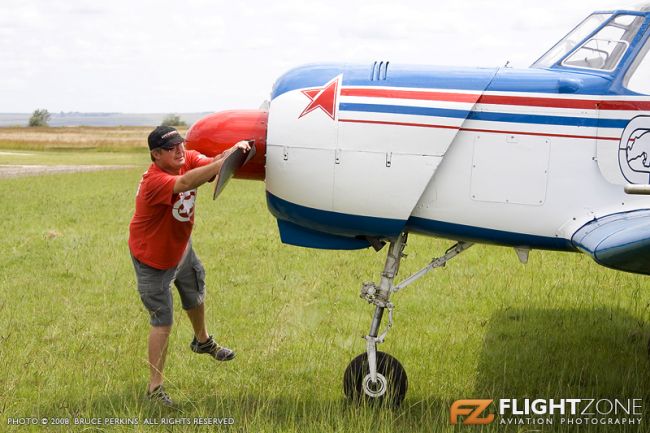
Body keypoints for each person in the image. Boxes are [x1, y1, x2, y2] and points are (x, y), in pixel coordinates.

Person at [128, 125, 250, 407]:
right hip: (153, 259)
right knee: (163, 322)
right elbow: (185, 184)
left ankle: (202, 341)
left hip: (181, 248)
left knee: (195, 290)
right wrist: (221, 161)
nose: (180, 151)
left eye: (181, 144)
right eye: (171, 149)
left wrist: (235, 150)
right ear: (155, 154)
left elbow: (211, 163)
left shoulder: (187, 158)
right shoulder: (153, 180)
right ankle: (154, 388)